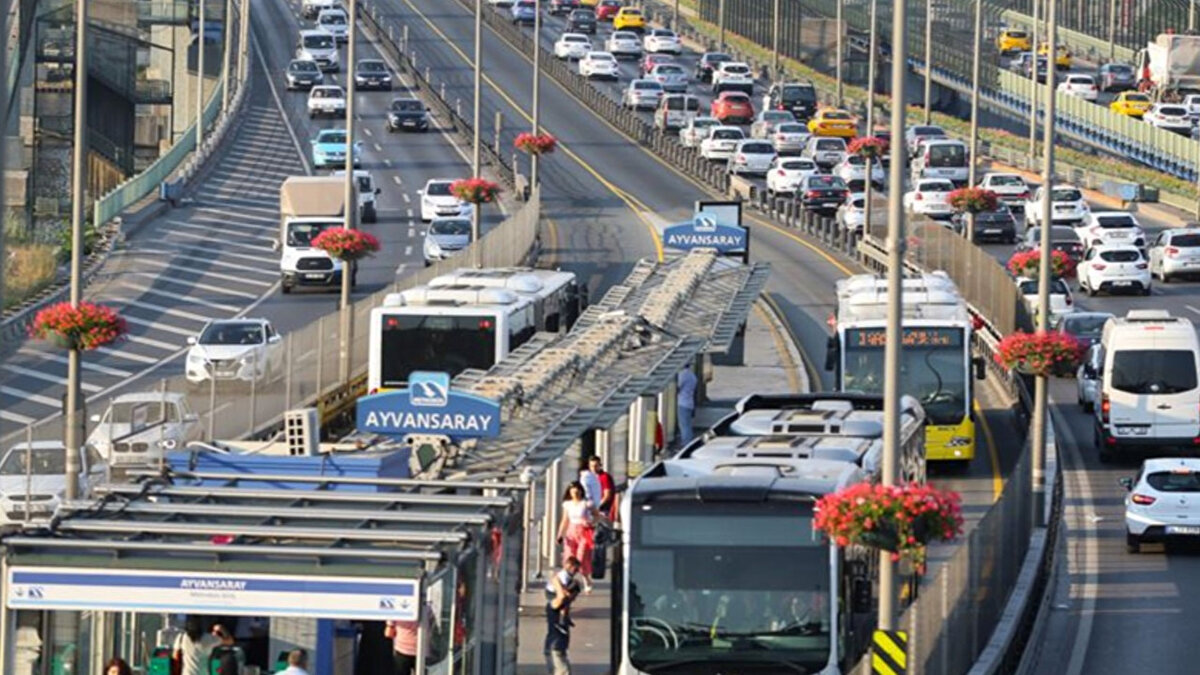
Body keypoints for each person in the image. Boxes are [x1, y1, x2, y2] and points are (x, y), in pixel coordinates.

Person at [556, 481, 604, 592]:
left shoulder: (586, 504)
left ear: (581, 492)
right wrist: (560, 534)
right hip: (571, 531)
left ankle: (586, 578)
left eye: (577, 492)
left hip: (584, 532)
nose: (575, 494)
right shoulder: (567, 504)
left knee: (581, 557)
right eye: (573, 492)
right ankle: (567, 580)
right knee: (570, 557)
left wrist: (591, 522)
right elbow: (565, 520)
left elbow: (597, 516)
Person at [544, 557, 582, 675]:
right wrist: (557, 583)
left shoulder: (562, 605)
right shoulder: (556, 604)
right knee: (562, 671)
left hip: (556, 646)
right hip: (555, 646)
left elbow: (564, 601)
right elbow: (561, 597)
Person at [676, 367, 698, 445]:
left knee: (684, 426)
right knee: (688, 425)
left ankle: (686, 444)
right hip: (689, 402)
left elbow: (678, 387)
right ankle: (689, 442)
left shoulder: (683, 374)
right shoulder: (692, 375)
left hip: (683, 403)